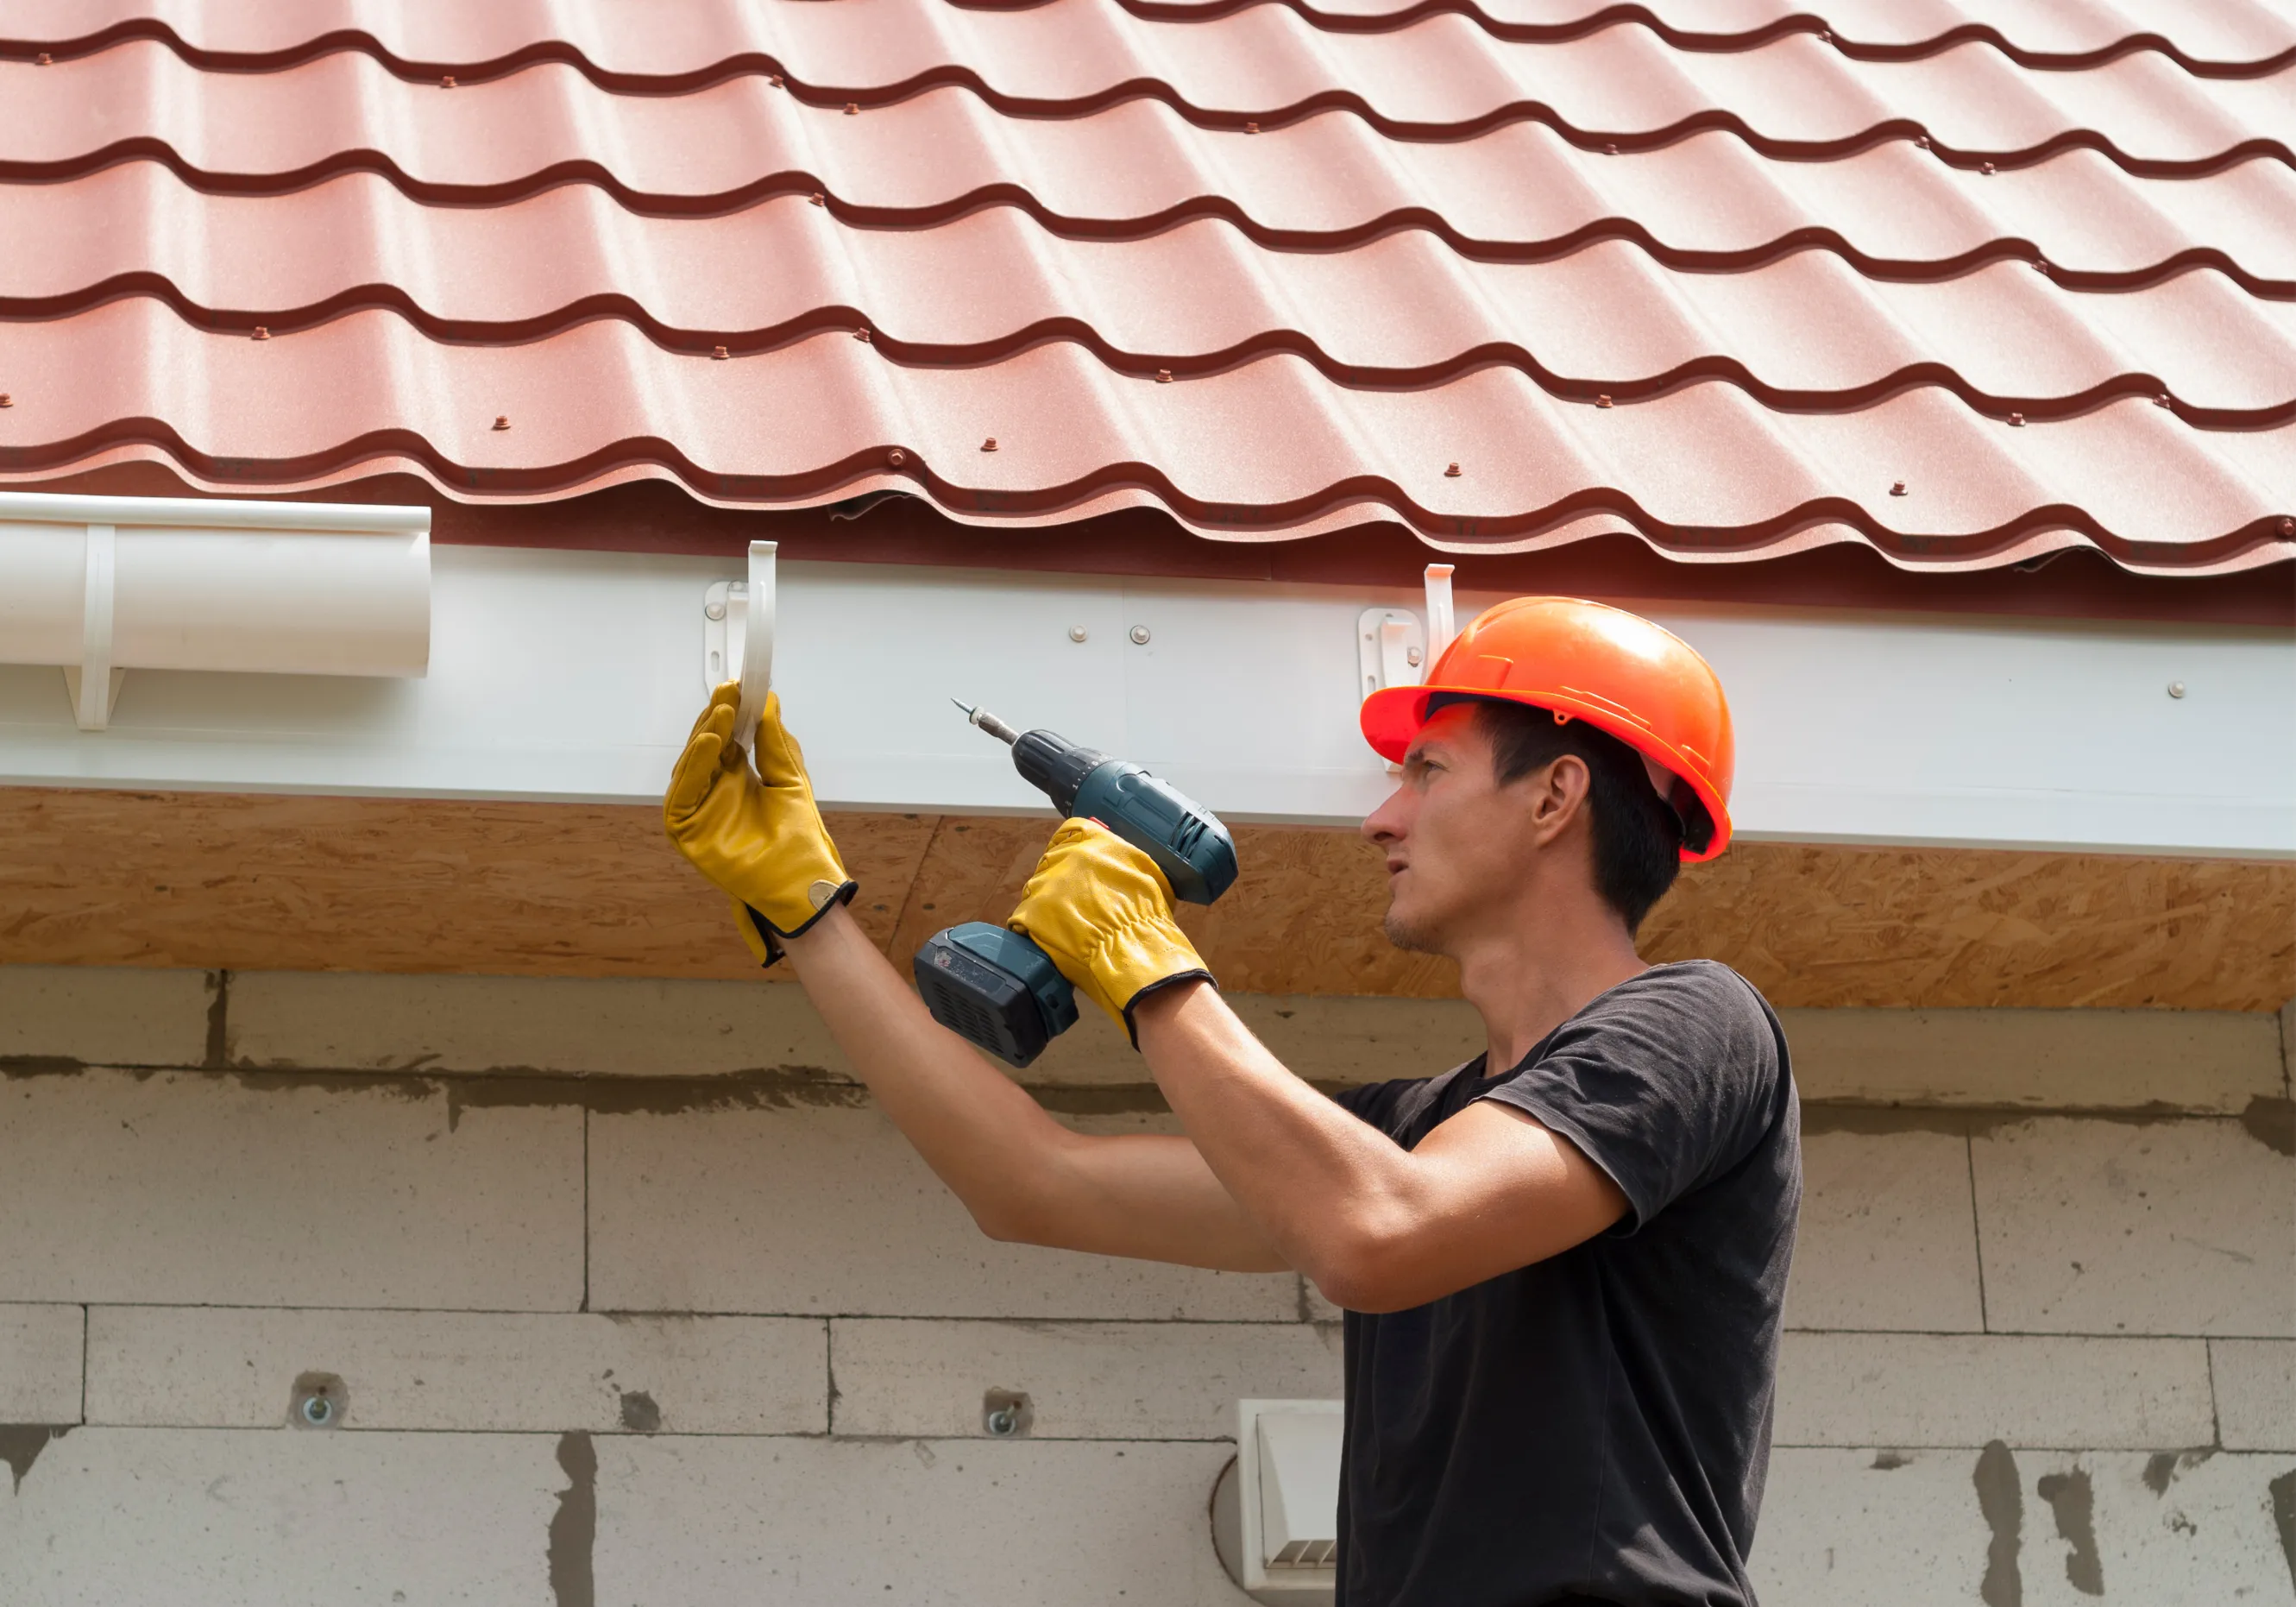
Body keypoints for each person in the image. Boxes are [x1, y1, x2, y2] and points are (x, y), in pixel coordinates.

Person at [664, 595, 1800, 1607]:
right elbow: (1029, 1181)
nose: (1381, 820)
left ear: (1557, 794)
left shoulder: (1700, 1026)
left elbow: (1381, 1232)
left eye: (1429, 770)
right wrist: (806, 909)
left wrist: (1145, 959)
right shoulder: (1410, 1134)